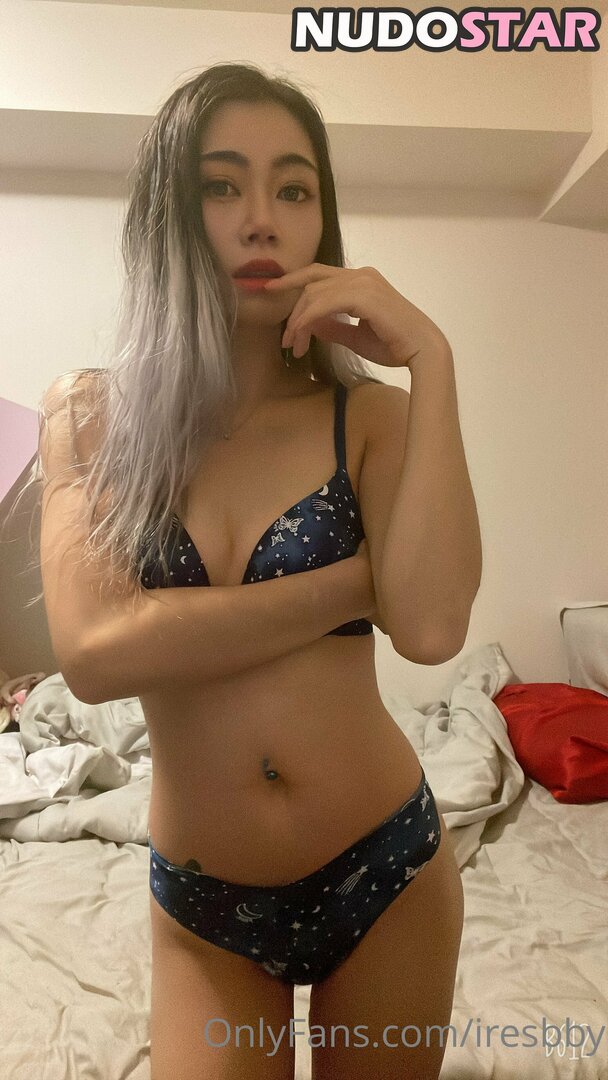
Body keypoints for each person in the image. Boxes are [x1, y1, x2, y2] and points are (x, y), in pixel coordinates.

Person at [37, 63, 481, 1080]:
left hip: (386, 870)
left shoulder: (369, 417)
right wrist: (353, 583)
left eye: (293, 189)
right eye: (220, 183)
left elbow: (430, 629)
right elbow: (95, 654)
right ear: (167, 210)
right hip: (205, 907)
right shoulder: (90, 415)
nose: (260, 219)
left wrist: (433, 359)